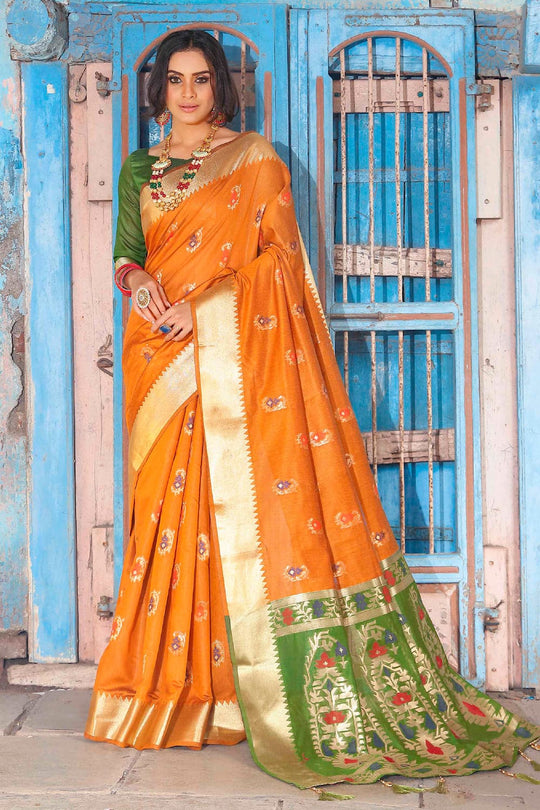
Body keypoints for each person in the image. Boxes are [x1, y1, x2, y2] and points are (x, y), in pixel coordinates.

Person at [85, 28, 539, 795]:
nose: (188, 93)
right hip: (156, 353)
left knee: (246, 511)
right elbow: (128, 251)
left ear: (220, 88)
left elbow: (279, 264)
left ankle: (242, 692)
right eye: (175, 80)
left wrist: (208, 309)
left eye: (202, 79)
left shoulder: (255, 160)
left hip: (223, 344)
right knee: (170, 515)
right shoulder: (140, 166)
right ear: (157, 91)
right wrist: (137, 286)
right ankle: (179, 689)